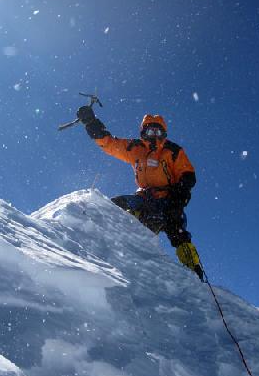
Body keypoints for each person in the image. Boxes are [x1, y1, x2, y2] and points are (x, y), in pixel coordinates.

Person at [77, 105, 204, 280]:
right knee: (116, 205)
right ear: (143, 132)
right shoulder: (135, 148)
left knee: (178, 233)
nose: (153, 136)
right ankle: (104, 242)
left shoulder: (172, 151)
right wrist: (92, 123)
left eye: (157, 132)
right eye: (149, 131)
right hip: (144, 197)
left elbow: (187, 174)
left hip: (170, 198)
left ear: (164, 133)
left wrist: (178, 198)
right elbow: (110, 144)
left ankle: (194, 270)